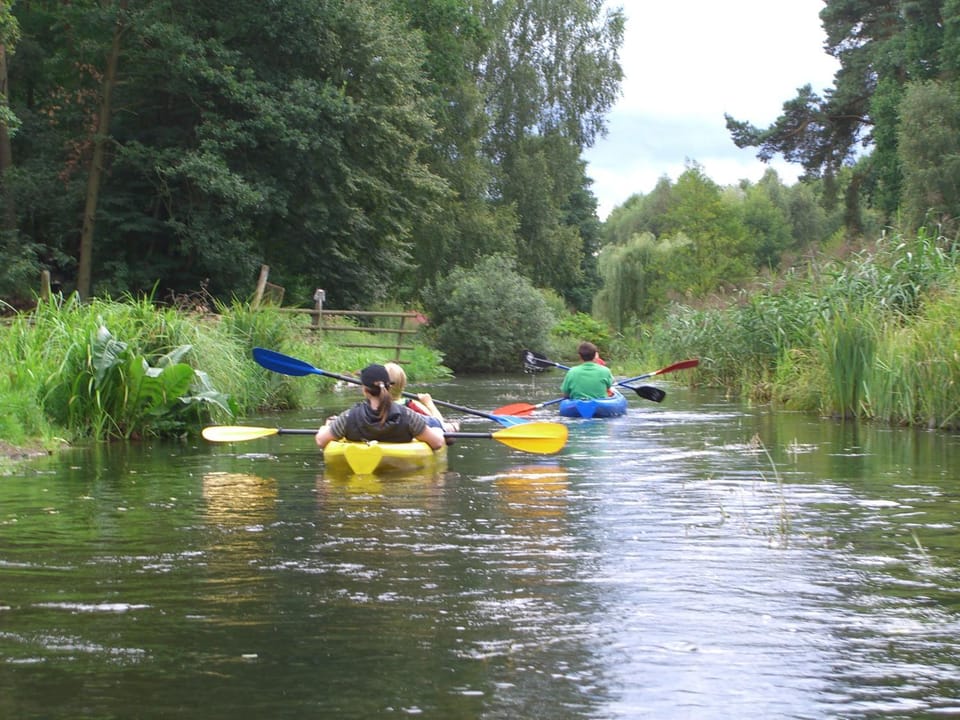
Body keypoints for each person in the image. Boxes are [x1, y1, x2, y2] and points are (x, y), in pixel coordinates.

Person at [315, 364, 446, 450]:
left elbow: (321, 441)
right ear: (389, 387)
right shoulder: (408, 415)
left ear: (364, 390)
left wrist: (326, 427)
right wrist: (439, 432)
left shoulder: (349, 416)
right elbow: (437, 443)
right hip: (399, 470)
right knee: (438, 429)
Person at [385, 362, 460, 433]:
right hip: (410, 438)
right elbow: (439, 423)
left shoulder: (375, 406)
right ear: (403, 385)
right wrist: (429, 403)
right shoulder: (411, 405)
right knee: (451, 425)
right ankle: (453, 426)